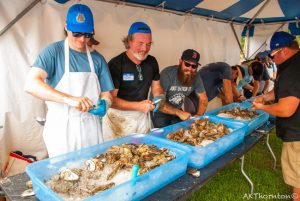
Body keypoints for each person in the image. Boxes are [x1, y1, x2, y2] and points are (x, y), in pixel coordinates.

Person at [24, 4, 114, 157]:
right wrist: (68, 99)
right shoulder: (53, 52)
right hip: (61, 129)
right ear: (66, 27)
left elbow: (107, 93)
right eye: (77, 34)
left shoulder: (97, 59)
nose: (81, 40)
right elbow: (31, 84)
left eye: (87, 35)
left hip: (91, 128)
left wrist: (106, 103)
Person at [103, 22, 191, 140]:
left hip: (141, 116)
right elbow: (111, 100)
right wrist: (138, 106)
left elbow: (156, 88)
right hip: (117, 119)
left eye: (148, 44)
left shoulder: (152, 62)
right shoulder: (116, 64)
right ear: (129, 41)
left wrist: (159, 97)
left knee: (143, 152)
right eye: (140, 43)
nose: (145, 49)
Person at [252, 31, 300, 200]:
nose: (271, 60)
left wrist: (262, 107)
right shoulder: (293, 64)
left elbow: (286, 109)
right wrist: (266, 97)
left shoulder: (292, 70)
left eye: (272, 55)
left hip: (297, 134)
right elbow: (283, 91)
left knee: (298, 181)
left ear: (284, 51)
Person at [151, 49, 208, 128]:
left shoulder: (196, 77)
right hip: (160, 111)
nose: (190, 68)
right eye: (187, 64)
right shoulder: (167, 74)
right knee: (165, 136)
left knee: (184, 132)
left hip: (177, 110)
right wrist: (179, 113)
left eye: (194, 66)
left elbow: (203, 99)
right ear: (180, 62)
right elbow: (159, 103)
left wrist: (198, 116)